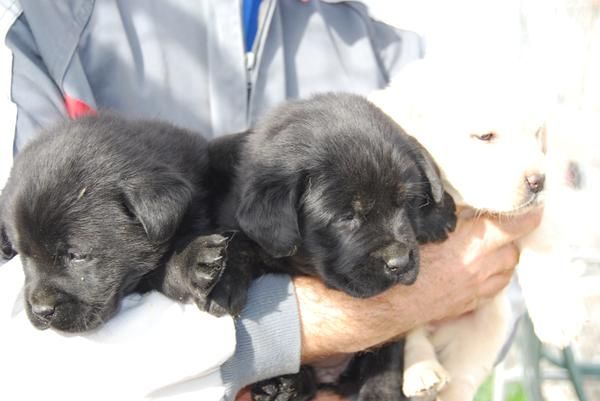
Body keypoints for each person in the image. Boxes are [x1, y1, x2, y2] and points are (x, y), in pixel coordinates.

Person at [0, 1, 541, 400]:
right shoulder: (50, 30)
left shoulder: (390, 44)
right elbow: (19, 349)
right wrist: (286, 333)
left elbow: (497, 252)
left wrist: (432, 342)